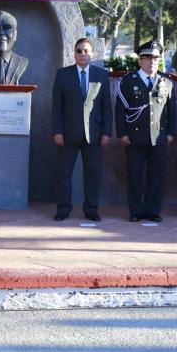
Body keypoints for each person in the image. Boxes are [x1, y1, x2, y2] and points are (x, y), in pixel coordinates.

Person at [51, 38, 112, 221]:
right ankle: (63, 208)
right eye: (79, 51)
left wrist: (106, 132)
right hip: (68, 134)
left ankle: (91, 209)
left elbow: (106, 106)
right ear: (74, 53)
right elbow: (57, 107)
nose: (83, 54)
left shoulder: (101, 75)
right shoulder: (63, 75)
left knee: (93, 173)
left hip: (94, 134)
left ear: (92, 54)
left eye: (86, 51)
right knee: (64, 174)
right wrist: (57, 131)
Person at [116, 40, 176, 222]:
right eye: (148, 58)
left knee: (156, 175)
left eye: (156, 58)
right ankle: (135, 211)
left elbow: (171, 110)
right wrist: (123, 133)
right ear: (140, 61)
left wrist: (171, 132)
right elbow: (120, 110)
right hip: (135, 136)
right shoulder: (128, 81)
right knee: (134, 175)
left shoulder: (166, 82)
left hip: (158, 136)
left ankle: (152, 211)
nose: (152, 62)